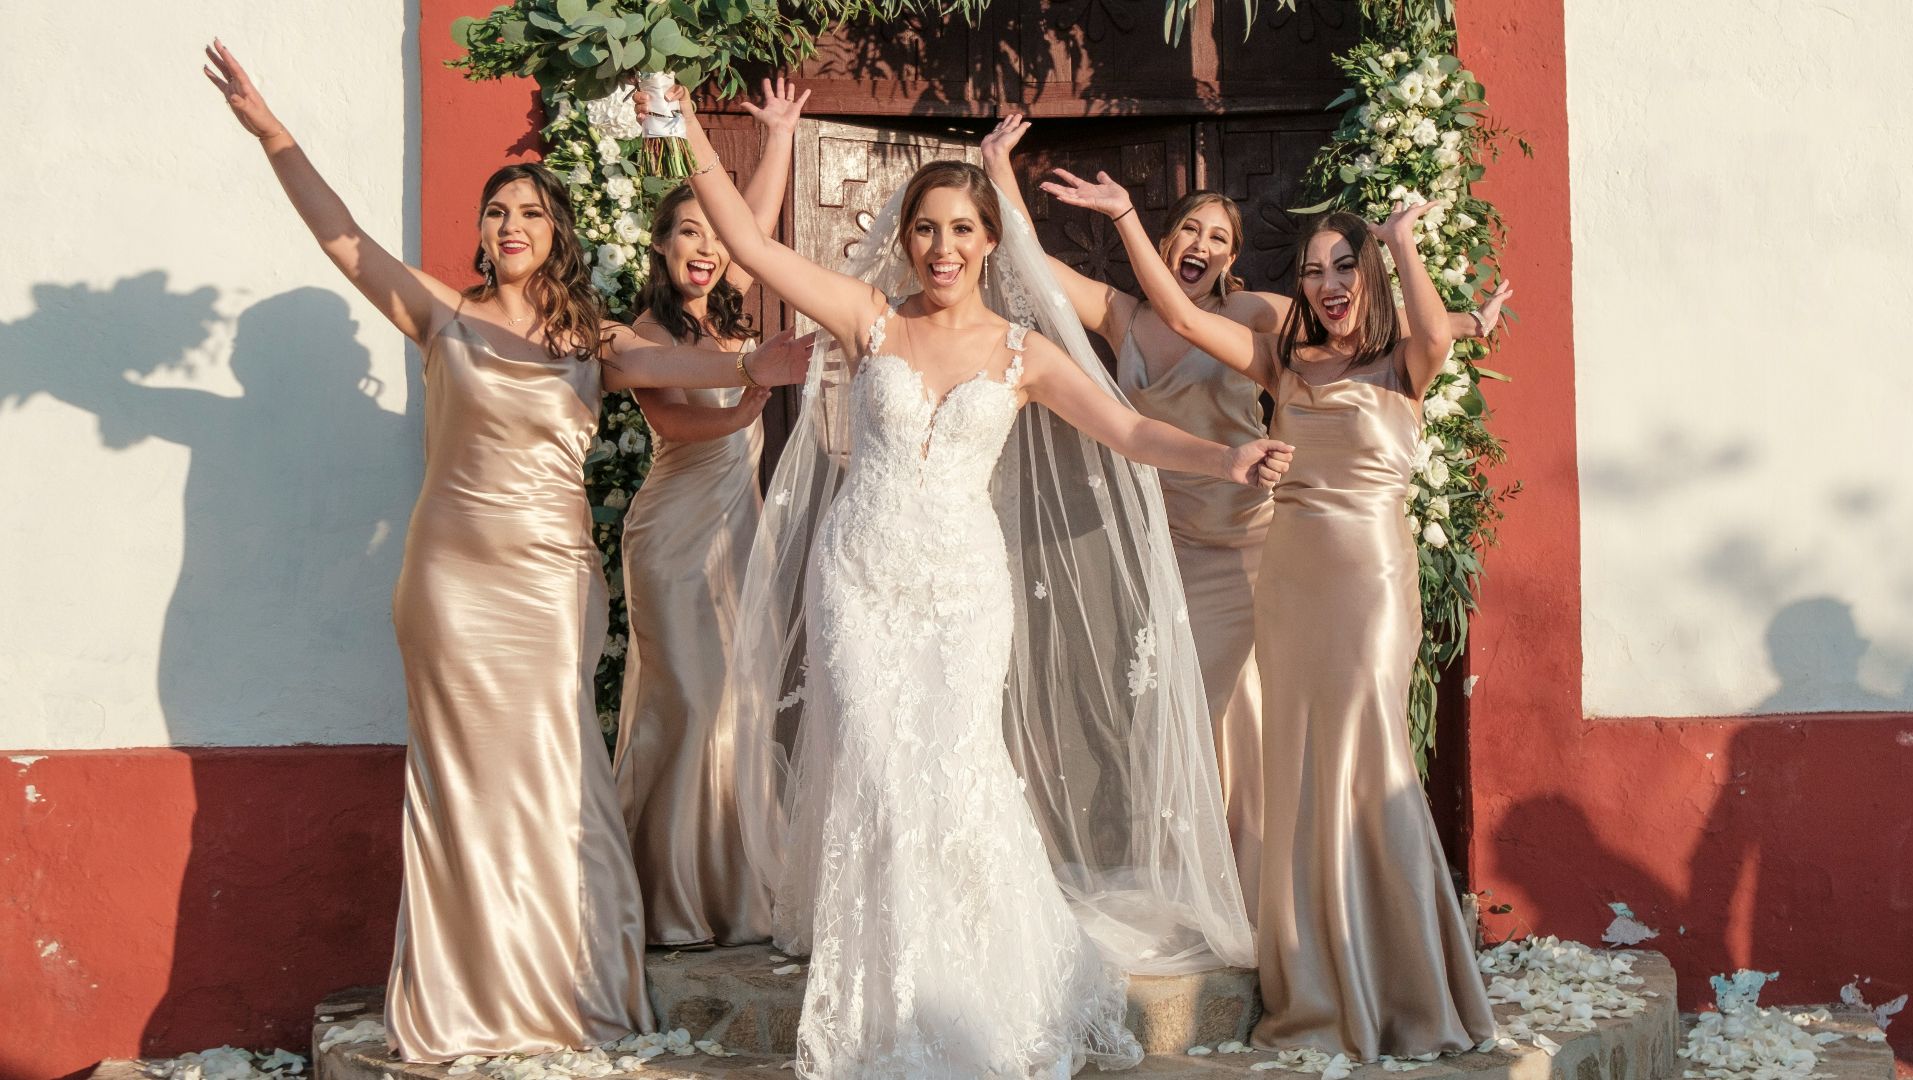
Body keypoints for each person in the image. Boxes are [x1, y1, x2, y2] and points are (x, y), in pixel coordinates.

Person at [650, 81, 1282, 1078]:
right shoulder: (867, 321)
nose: (942, 246)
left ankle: (984, 981)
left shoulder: (1023, 352)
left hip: (961, 588)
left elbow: (1128, 431)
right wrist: (684, 120)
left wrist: (1228, 461)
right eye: (925, 230)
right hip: (861, 574)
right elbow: (754, 245)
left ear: (990, 239)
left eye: (960, 228)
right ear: (904, 241)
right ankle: (897, 993)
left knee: (958, 765)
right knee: (884, 774)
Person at [203, 41, 810, 1061]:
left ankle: (563, 983)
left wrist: (761, 360)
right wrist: (274, 133)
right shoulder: (441, 319)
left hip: (553, 585)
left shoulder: (596, 342)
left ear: (557, 232)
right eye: (497, 212)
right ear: (482, 235)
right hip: (451, 582)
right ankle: (465, 993)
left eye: (530, 211)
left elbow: (688, 359)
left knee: (554, 772)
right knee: (461, 784)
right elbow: (345, 242)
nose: (511, 224)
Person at [983, 115, 1510, 908]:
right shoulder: (1123, 318)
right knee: (1182, 712)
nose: (1204, 245)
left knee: (1247, 714)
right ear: (1166, 243)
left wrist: (1465, 323)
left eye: (1221, 238)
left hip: (1255, 541)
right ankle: (1205, 879)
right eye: (1190, 229)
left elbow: (1369, 332)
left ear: (1235, 260)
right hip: (1172, 545)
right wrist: (996, 173)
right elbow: (1032, 266)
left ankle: (1265, 879)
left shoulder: (1261, 316)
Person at [1043, 164, 1498, 1058]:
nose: (1328, 286)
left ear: (1368, 277)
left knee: (1371, 755)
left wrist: (1403, 245)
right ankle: (1318, 973)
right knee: (1297, 765)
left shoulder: (1408, 359)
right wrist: (1131, 216)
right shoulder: (1284, 357)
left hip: (1368, 586)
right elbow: (1177, 317)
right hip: (1286, 583)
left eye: (1344, 268)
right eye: (1315, 271)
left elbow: (1439, 326)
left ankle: (1400, 979)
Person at [612, 77, 809, 949]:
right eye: (685, 231)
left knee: (733, 705)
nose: (705, 246)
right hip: (671, 537)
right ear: (659, 247)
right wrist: (749, 395)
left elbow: (749, 228)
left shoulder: (723, 318)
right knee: (686, 703)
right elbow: (678, 421)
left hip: (735, 533)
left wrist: (779, 137)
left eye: (709, 234)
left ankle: (726, 893)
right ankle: (661, 898)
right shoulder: (646, 334)